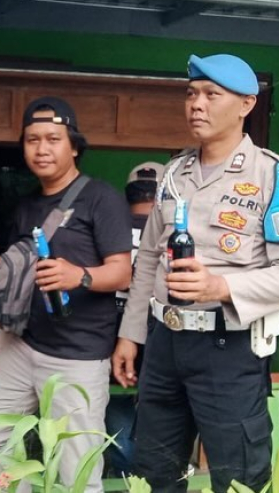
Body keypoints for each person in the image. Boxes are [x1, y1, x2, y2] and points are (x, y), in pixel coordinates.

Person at [112, 54, 279, 493]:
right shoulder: (173, 173)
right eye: (191, 94)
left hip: (229, 349)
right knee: (154, 471)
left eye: (211, 94)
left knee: (239, 477)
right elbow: (148, 259)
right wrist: (131, 335)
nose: (197, 105)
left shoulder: (277, 176)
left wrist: (220, 286)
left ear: (246, 104)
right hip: (164, 345)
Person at [0, 97, 133, 492]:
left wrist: (78, 276)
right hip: (25, 345)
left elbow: (122, 271)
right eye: (32, 140)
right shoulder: (28, 205)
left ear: (74, 146)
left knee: (77, 469)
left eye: (53, 139)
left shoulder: (102, 198)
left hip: (78, 355)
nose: (41, 149)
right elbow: (16, 269)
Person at [104, 161, 164, 477]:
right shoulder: (176, 231)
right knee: (164, 413)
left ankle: (126, 472)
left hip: (110, 341)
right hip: (160, 341)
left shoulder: (108, 228)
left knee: (117, 406)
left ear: (128, 194)